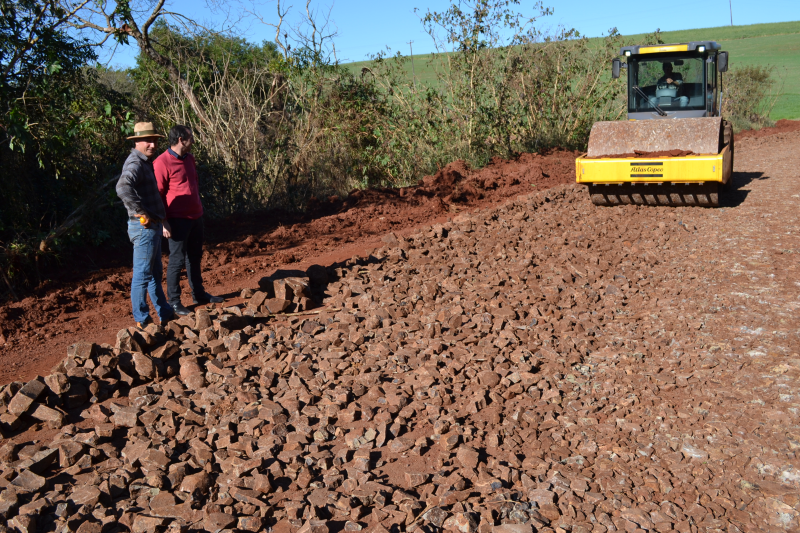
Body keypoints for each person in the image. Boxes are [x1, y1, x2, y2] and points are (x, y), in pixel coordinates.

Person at [154, 125, 224, 316]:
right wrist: (163, 222)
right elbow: (157, 195)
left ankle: (199, 294)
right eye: (190, 137)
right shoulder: (162, 162)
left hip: (195, 216)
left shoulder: (190, 159)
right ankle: (174, 301)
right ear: (180, 140)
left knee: (195, 257)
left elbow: (194, 183)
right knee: (176, 261)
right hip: (177, 219)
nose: (193, 141)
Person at [115, 122, 174, 328]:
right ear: (137, 142)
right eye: (148, 141)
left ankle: (165, 313)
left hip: (152, 227)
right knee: (142, 274)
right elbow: (122, 187)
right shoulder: (135, 162)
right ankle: (142, 320)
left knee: (153, 274)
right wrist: (140, 212)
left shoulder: (145, 161)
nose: (152, 144)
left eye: (155, 140)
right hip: (144, 228)